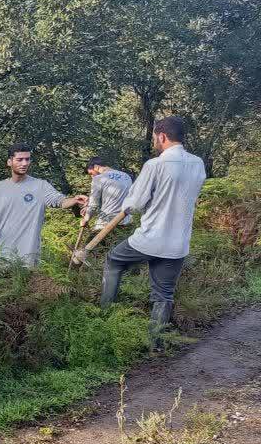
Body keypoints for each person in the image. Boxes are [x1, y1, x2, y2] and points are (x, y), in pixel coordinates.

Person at [72, 116, 206, 349]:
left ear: (161, 136)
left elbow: (134, 203)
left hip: (149, 238)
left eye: (155, 137)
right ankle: (155, 345)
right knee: (163, 294)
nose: (155, 140)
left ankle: (106, 320)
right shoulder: (198, 163)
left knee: (113, 261)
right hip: (178, 243)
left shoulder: (155, 165)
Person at [0, 144, 84, 267]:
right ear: (9, 162)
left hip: (27, 260)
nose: (24, 163)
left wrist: (74, 200)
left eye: (27, 159)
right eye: (20, 159)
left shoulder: (40, 186)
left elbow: (60, 201)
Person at [79, 157, 134, 233]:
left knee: (88, 244)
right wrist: (88, 206)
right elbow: (116, 198)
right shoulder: (126, 176)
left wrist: (85, 219)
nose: (92, 177)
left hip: (106, 224)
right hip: (126, 222)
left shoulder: (99, 178)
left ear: (96, 167)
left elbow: (94, 205)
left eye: (91, 173)